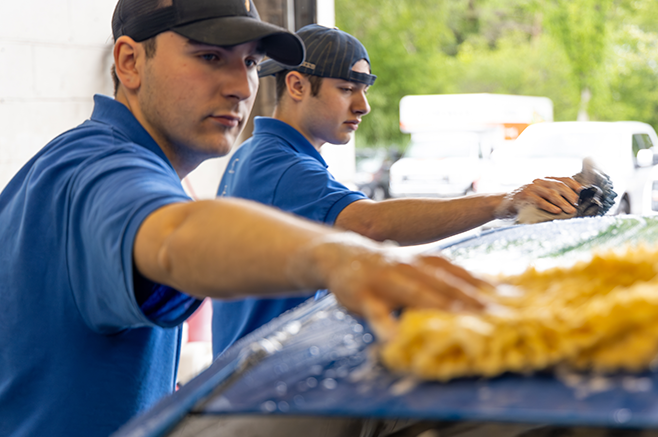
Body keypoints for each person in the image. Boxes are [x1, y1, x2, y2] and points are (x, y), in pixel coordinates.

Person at [0, 2, 491, 436]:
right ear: (130, 62)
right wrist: (344, 256)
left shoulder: (81, 159)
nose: (241, 87)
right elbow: (175, 236)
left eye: (251, 62)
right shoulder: (100, 168)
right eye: (209, 56)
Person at [212, 24, 584, 357]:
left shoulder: (256, 153)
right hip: (263, 378)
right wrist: (503, 202)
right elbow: (371, 224)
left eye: (363, 90)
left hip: (252, 367)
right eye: (346, 90)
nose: (363, 106)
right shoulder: (282, 167)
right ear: (296, 85)